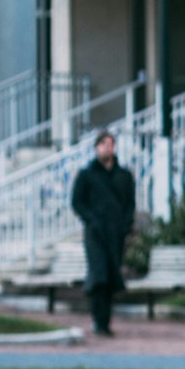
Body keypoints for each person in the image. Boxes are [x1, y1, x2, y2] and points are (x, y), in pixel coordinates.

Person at [70, 131, 138, 336]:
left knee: (111, 276)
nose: (107, 148)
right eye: (103, 144)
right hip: (95, 233)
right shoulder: (87, 174)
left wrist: (125, 225)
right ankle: (98, 320)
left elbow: (129, 203)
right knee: (98, 275)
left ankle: (105, 322)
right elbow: (77, 202)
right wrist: (91, 219)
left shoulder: (123, 175)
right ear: (97, 147)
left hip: (115, 234)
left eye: (110, 145)